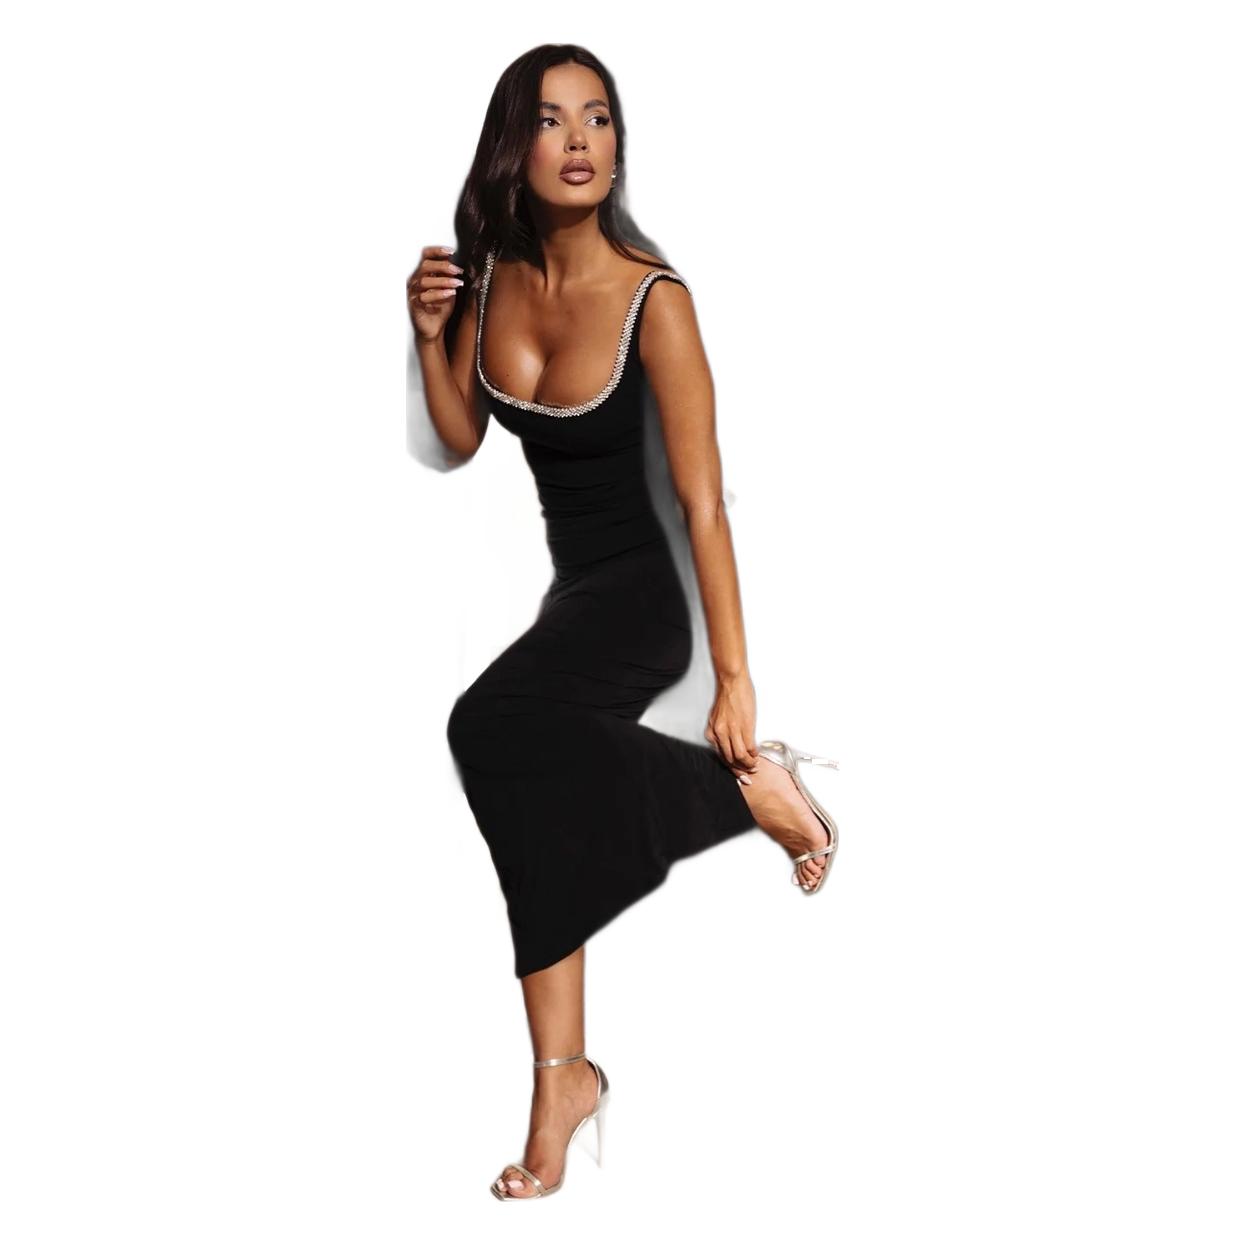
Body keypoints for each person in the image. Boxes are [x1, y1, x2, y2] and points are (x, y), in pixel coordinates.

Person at [407, 44, 841, 1201]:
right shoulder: (492, 274)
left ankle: (751, 790)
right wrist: (428, 331)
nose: (580, 141)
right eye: (553, 121)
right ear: (515, 146)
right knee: (530, 794)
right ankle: (563, 1078)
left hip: (650, 598)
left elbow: (703, 501)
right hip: (575, 593)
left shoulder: (655, 297)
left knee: (486, 726)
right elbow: (459, 434)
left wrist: (735, 678)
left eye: (598, 118)